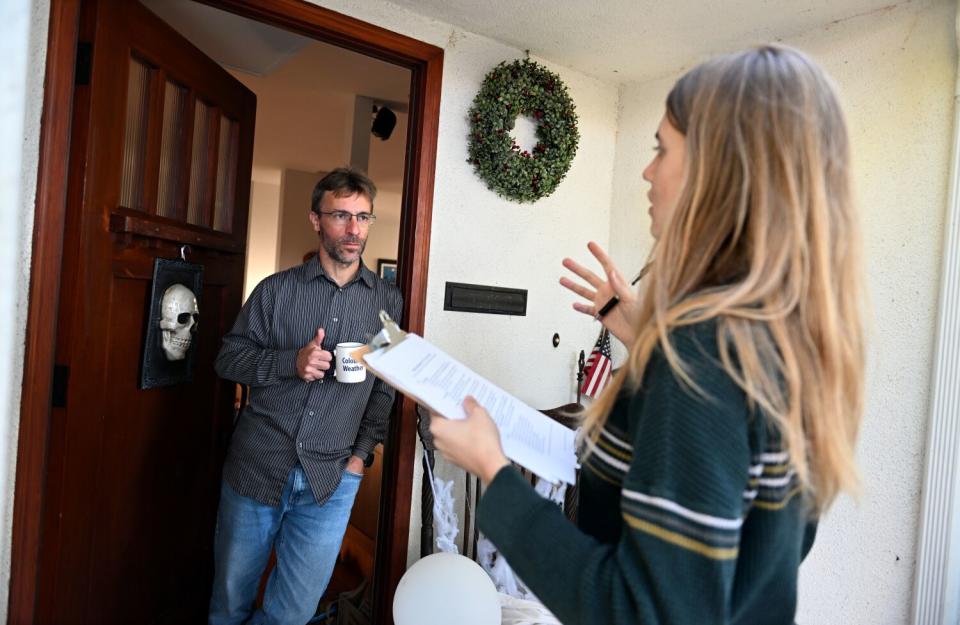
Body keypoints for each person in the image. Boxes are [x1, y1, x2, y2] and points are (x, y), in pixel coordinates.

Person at [430, 45, 864, 624]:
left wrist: (493, 471)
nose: (647, 171)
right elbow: (769, 547)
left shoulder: (705, 350)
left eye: (662, 148)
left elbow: (640, 611)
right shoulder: (784, 336)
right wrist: (649, 339)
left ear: (719, 171)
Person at [209, 168, 402, 625]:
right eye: (341, 215)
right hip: (258, 466)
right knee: (229, 604)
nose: (354, 229)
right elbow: (227, 359)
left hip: (331, 481)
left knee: (291, 614)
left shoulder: (387, 305)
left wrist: (360, 458)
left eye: (363, 217)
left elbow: (385, 387)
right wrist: (289, 364)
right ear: (316, 220)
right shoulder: (275, 292)